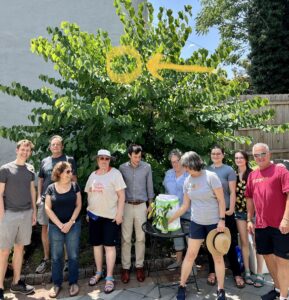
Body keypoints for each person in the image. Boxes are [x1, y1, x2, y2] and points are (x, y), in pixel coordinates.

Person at [168, 151, 227, 300]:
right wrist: (169, 218)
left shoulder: (211, 177)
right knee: (190, 255)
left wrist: (222, 220)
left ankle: (221, 290)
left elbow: (221, 200)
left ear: (193, 163)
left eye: (186, 166)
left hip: (214, 223)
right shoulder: (188, 181)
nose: (184, 169)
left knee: (217, 257)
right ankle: (182, 285)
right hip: (196, 222)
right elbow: (185, 206)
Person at [246, 143, 289, 300]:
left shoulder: (280, 170)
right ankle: (278, 289)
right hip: (261, 225)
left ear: (269, 154)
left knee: (282, 261)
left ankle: (284, 296)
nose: (260, 157)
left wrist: (286, 219)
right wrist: (249, 219)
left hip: (280, 225)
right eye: (256, 155)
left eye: (263, 153)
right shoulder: (252, 176)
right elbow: (249, 197)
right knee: (268, 258)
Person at [85, 149, 126, 294]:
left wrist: (120, 213)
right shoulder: (92, 175)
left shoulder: (115, 174)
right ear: (97, 160)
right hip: (94, 216)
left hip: (111, 217)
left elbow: (121, 196)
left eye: (106, 159)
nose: (103, 161)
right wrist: (88, 211)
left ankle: (109, 277)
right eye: (101, 158)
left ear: (110, 160)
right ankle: (98, 272)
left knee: (109, 246)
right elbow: (89, 194)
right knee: (97, 245)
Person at [0, 140, 36, 300]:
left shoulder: (30, 169)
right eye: (23, 149)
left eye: (28, 150)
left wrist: (34, 211)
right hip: (8, 214)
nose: (25, 152)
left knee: (20, 248)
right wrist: (1, 214)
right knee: (4, 252)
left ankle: (16, 283)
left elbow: (32, 190)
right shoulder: (5, 169)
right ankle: (0, 287)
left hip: (26, 213)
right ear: (17, 150)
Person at [36, 135, 77, 274]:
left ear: (62, 146)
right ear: (49, 147)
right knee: (45, 228)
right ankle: (47, 259)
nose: (55, 147)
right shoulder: (44, 161)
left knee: (66, 227)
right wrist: (38, 197)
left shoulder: (68, 160)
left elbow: (74, 180)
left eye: (58, 144)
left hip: (64, 200)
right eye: (53, 144)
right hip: (46, 200)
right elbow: (41, 180)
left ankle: (66, 260)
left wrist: (74, 197)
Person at [206, 145, 245, 288]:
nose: (215, 156)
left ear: (223, 155)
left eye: (218, 153)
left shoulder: (228, 170)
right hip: (211, 212)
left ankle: (236, 273)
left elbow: (233, 192)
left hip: (226, 211)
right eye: (213, 153)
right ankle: (212, 272)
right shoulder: (206, 170)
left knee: (229, 242)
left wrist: (232, 209)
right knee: (211, 243)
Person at [45, 161, 82, 298]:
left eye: (71, 171)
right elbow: (47, 208)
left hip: (73, 225)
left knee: (73, 255)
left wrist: (70, 222)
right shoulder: (51, 188)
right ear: (59, 173)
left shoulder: (75, 186)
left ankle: (73, 283)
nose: (70, 173)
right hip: (55, 227)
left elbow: (79, 205)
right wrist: (60, 225)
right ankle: (56, 284)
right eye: (67, 171)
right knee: (56, 257)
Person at [119, 144, 154, 283]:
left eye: (139, 156)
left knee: (141, 238)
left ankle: (139, 266)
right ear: (129, 155)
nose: (138, 159)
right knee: (126, 238)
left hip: (141, 206)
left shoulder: (147, 167)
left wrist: (150, 203)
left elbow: (149, 186)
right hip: (126, 205)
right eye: (135, 156)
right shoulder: (122, 168)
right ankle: (125, 268)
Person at [234, 150, 264, 287]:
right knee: (245, 243)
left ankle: (259, 273)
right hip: (239, 213)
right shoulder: (233, 176)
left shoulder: (253, 174)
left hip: (254, 213)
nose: (239, 160)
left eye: (241, 157)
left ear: (246, 159)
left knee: (257, 243)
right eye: (236, 158)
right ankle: (247, 271)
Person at [163, 149, 189, 270]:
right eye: (172, 162)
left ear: (182, 160)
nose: (175, 164)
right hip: (173, 213)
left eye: (177, 161)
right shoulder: (168, 173)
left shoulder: (188, 173)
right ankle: (178, 261)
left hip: (188, 211)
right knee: (177, 237)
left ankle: (191, 265)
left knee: (190, 238)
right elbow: (166, 192)